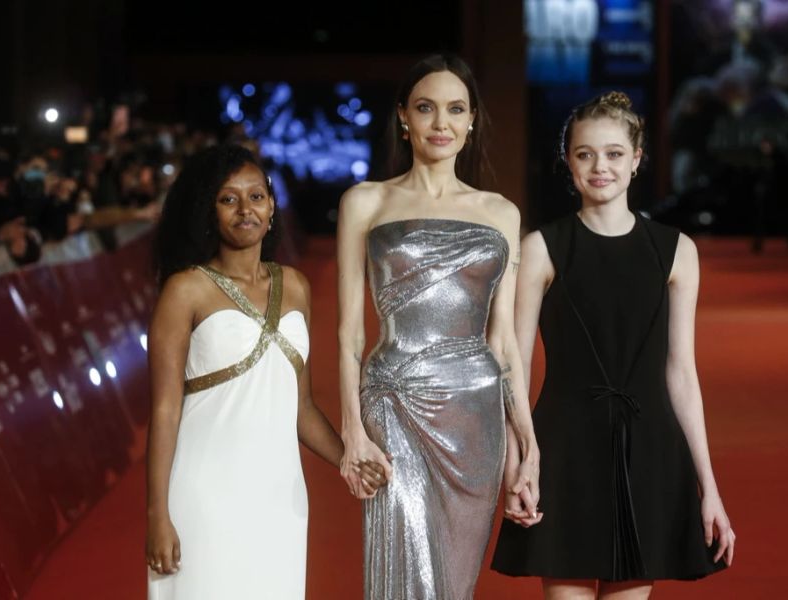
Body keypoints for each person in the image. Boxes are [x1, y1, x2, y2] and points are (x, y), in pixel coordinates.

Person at [492, 92, 736, 599]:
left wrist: (708, 488)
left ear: (636, 158)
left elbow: (682, 375)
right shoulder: (542, 247)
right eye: (585, 154)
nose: (600, 166)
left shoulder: (677, 252)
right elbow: (512, 366)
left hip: (650, 454)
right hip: (563, 452)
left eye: (614, 153)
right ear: (569, 161)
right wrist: (516, 465)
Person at [336, 54, 541, 599]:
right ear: (404, 117)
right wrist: (352, 431)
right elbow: (349, 334)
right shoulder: (365, 201)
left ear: (472, 120)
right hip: (393, 405)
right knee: (407, 573)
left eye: (456, 109)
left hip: (476, 417)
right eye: (426, 108)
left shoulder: (501, 212)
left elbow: (502, 342)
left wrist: (528, 442)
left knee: (453, 583)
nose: (441, 123)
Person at [144, 144, 383, 599]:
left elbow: (302, 406)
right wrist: (157, 513)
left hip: (281, 497)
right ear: (208, 210)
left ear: (272, 207)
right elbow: (165, 409)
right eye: (228, 198)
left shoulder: (295, 285)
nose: (244, 209)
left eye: (255, 196)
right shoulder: (185, 290)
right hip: (204, 496)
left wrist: (347, 459)